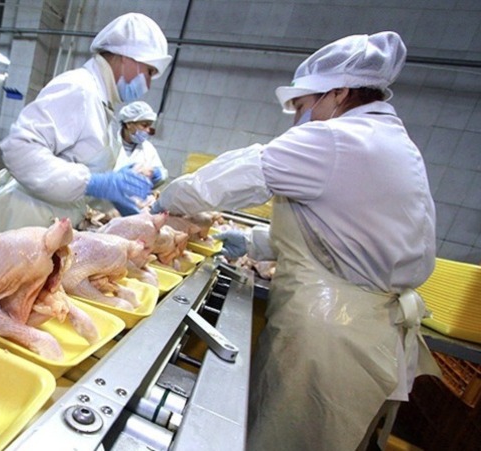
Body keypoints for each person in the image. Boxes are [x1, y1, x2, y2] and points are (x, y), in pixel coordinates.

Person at [151, 31, 440, 450]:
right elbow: (343, 236)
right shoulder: (389, 140)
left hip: (331, 337)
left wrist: (165, 200)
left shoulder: (338, 139)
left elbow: (236, 175)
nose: (299, 119)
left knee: (286, 440)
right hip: (366, 332)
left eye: (304, 105)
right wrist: (255, 242)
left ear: (339, 93)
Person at [0, 13, 172, 234]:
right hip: (23, 222)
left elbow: (80, 177)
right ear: (128, 58)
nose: (147, 84)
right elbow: (20, 150)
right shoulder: (79, 88)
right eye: (148, 72)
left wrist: (113, 190)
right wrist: (96, 183)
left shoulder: (102, 104)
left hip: (48, 227)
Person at [113, 101, 168, 187]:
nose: (148, 130)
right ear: (129, 124)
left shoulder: (148, 149)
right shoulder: (110, 142)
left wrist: (157, 174)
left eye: (149, 126)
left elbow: (162, 173)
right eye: (144, 125)